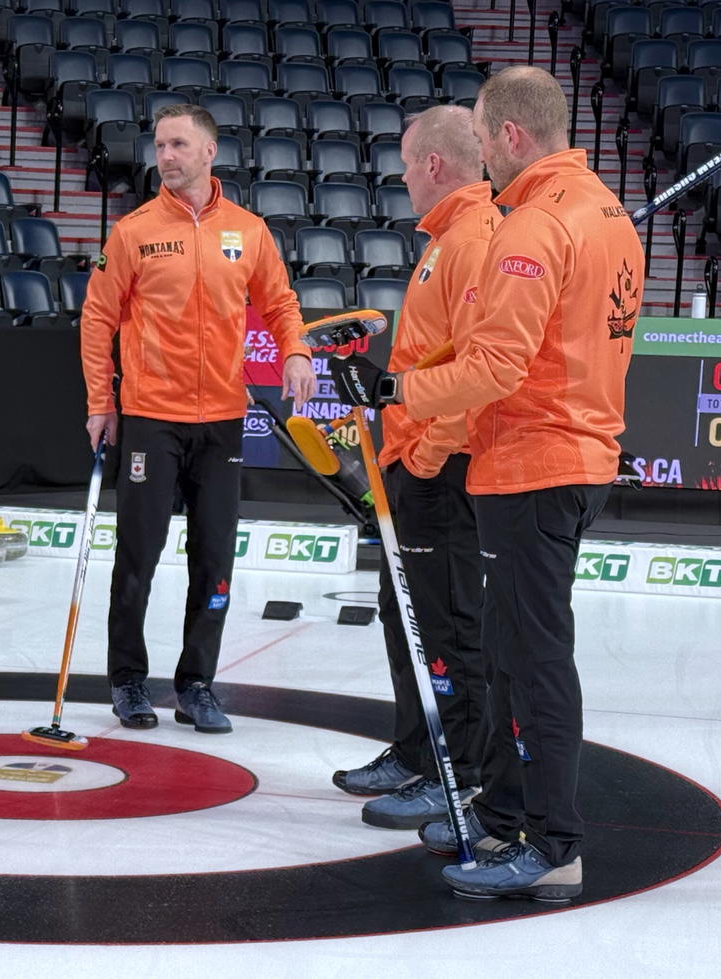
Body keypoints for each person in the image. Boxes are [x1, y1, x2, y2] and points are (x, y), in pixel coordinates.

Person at [331, 67, 643, 902]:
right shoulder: (607, 213)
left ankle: (554, 844)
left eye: (483, 133)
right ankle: (506, 812)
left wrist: (396, 391)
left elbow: (497, 366)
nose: (479, 152)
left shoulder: (532, 227)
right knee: (512, 655)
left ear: (509, 136)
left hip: (536, 463)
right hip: (569, 456)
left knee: (533, 661)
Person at [80, 103, 317, 735]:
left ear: (209, 152)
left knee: (214, 560)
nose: (167, 156)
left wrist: (294, 349)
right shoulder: (133, 231)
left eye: (179, 144)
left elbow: (280, 301)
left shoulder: (249, 230)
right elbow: (97, 318)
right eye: (160, 145)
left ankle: (197, 684)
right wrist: (101, 402)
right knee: (138, 557)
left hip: (221, 422)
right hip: (150, 420)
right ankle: (128, 680)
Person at [330, 105, 497, 833]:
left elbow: (479, 368)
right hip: (409, 461)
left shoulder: (476, 237)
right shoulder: (444, 238)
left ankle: (452, 774)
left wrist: (427, 455)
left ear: (434, 163)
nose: (400, 175)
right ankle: (414, 746)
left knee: (446, 626)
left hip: (442, 469)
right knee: (407, 620)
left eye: (405, 161)